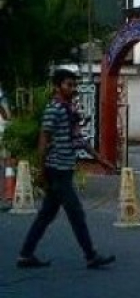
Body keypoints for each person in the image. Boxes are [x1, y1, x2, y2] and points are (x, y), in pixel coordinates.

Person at [17, 69, 117, 269]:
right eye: (68, 85)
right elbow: (43, 140)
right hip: (57, 169)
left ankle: (25, 254)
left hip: (64, 168)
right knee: (76, 213)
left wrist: (100, 159)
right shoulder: (54, 109)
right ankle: (90, 255)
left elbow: (78, 140)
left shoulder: (69, 109)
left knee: (46, 214)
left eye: (73, 85)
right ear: (57, 87)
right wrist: (41, 170)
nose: (72, 88)